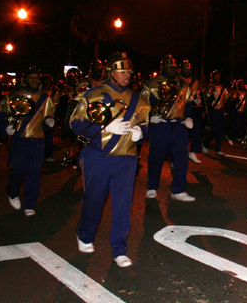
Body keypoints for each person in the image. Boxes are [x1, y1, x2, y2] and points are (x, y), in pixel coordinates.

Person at [71, 52, 150, 268]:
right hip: (98, 156)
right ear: (110, 72)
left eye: (129, 72)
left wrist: (141, 133)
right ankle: (85, 235)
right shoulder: (93, 94)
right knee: (94, 200)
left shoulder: (140, 100)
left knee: (123, 204)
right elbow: (76, 124)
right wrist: (103, 128)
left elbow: (145, 124)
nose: (127, 75)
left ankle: (119, 249)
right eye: (122, 71)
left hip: (126, 158)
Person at [0, 67, 56, 215]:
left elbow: (49, 116)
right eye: (32, 77)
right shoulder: (13, 96)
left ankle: (29, 204)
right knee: (18, 170)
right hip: (19, 139)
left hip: (37, 140)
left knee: (34, 173)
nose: (35, 81)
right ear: (25, 79)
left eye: (37, 78)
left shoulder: (45, 98)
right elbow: (2, 116)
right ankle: (12, 190)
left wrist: (49, 122)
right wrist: (6, 128)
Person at [141, 54, 196, 202]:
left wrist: (189, 117)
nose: (172, 70)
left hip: (179, 126)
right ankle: (152, 187)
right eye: (169, 67)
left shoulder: (183, 84)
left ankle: (179, 189)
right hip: (160, 126)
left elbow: (188, 103)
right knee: (156, 158)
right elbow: (142, 106)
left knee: (181, 159)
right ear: (163, 68)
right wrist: (149, 119)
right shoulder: (151, 84)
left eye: (174, 67)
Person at [203, 70, 229, 156]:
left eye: (218, 76)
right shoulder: (209, 87)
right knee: (213, 129)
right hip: (213, 110)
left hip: (220, 110)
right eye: (216, 76)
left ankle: (218, 149)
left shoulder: (222, 87)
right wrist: (212, 97)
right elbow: (206, 100)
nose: (217, 78)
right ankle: (205, 143)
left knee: (220, 131)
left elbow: (225, 98)